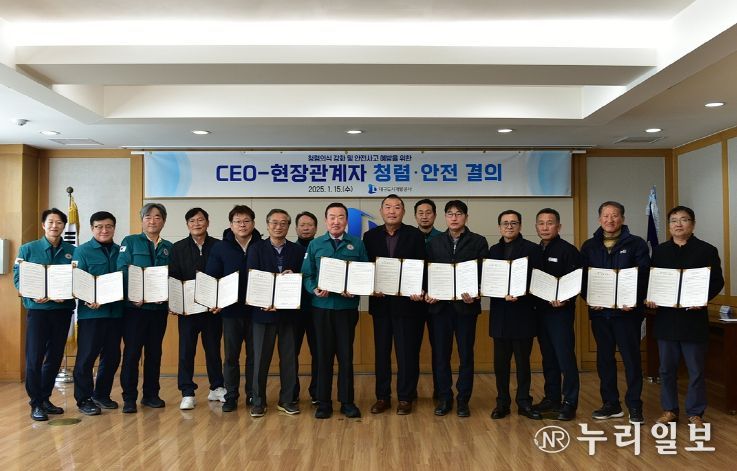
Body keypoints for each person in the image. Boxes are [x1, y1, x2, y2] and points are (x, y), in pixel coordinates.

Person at [646, 206, 724, 428]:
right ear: (669, 225)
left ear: (693, 224)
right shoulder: (659, 251)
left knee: (696, 369)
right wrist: (651, 297)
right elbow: (653, 280)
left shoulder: (706, 250)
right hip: (666, 319)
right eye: (673, 220)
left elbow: (717, 281)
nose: (678, 224)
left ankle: (695, 413)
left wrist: (702, 299)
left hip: (693, 319)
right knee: (666, 369)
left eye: (684, 220)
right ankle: (669, 410)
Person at [581, 201, 649, 424]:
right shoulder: (589, 246)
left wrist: (633, 300)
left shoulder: (637, 244)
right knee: (604, 360)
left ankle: (635, 405)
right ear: (599, 219)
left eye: (615, 215)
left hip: (627, 314)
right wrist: (590, 299)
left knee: (631, 359)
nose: (610, 220)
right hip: (600, 314)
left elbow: (644, 276)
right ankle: (611, 404)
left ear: (623, 219)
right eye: (606, 216)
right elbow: (583, 278)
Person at [302, 202, 369, 419]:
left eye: (341, 217)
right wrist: (314, 288)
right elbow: (307, 275)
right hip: (321, 309)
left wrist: (355, 290)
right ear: (326, 220)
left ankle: (347, 402)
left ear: (346, 221)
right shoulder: (315, 245)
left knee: (346, 356)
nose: (336, 221)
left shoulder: (357, 245)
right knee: (323, 356)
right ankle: (323, 402)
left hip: (346, 309)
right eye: (332, 217)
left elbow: (364, 274)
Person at [363, 194, 426, 415]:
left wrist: (419, 289)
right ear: (381, 211)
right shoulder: (370, 236)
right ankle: (382, 397)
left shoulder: (415, 235)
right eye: (388, 207)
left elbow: (422, 266)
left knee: (406, 354)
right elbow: (365, 268)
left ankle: (405, 397)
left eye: (397, 207)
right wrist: (370, 286)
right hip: (380, 304)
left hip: (408, 305)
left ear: (403, 212)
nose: (392, 211)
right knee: (382, 354)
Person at [425, 200, 488, 417]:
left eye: (458, 213)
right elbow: (427, 272)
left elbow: (483, 273)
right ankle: (444, 398)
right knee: (441, 356)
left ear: (466, 217)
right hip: (440, 309)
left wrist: (477, 291)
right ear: (445, 217)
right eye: (450, 214)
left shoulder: (478, 241)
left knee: (466, 356)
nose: (454, 217)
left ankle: (463, 399)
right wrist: (428, 291)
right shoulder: (434, 242)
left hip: (466, 308)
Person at [13, 208, 76, 421]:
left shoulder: (73, 251)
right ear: (43, 225)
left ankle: (46, 398)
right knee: (34, 357)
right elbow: (18, 278)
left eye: (59, 222)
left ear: (64, 226)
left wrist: (67, 294)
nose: (54, 226)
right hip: (38, 311)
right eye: (50, 222)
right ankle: (36, 403)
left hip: (62, 311)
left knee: (55, 357)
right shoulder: (28, 249)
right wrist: (32, 294)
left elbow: (77, 278)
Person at [247, 209, 306, 417]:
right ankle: (258, 401)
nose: (278, 226)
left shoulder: (297, 250)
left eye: (283, 223)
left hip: (288, 313)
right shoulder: (256, 249)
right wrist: (265, 301)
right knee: (260, 359)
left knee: (289, 359)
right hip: (263, 312)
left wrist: (293, 276)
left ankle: (287, 399)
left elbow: (303, 278)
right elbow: (252, 278)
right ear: (267, 224)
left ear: (289, 226)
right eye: (274, 222)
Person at [487, 210, 543, 421]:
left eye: (513, 223)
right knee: (500, 364)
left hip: (523, 313)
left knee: (523, 363)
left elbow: (538, 281)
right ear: (499, 227)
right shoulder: (493, 251)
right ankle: (502, 403)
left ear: (520, 226)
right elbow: (489, 281)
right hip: (500, 315)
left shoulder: (532, 249)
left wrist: (522, 293)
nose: (509, 227)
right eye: (505, 223)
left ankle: (524, 402)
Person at [117, 203, 173, 413]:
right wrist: (134, 296)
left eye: (157, 217)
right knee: (132, 354)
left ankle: (151, 395)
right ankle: (129, 398)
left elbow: (172, 276)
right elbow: (123, 270)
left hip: (158, 311)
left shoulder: (169, 247)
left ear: (163, 221)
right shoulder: (130, 242)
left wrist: (167, 296)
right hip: (135, 310)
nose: (152, 221)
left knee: (154, 353)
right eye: (148, 217)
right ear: (142, 220)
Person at [206, 205, 262, 412]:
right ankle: (231, 396)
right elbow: (212, 276)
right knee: (231, 357)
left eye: (246, 221)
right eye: (238, 221)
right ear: (231, 225)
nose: (242, 225)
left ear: (253, 223)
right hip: (230, 312)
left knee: (254, 356)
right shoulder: (220, 247)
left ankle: (253, 394)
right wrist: (214, 301)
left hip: (256, 311)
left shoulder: (262, 246)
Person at [169, 207, 224, 410]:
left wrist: (220, 302)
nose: (197, 224)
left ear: (207, 222)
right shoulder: (178, 248)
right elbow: (173, 277)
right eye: (192, 221)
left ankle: (217, 387)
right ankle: (187, 392)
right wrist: (175, 303)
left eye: (200, 220)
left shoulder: (219, 246)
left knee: (213, 350)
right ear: (187, 225)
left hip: (212, 310)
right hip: (187, 310)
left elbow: (224, 276)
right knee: (186, 351)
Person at [72, 211, 124, 416]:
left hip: (116, 314)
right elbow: (78, 280)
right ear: (92, 228)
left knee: (112, 357)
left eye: (108, 226)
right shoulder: (82, 251)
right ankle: (84, 399)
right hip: (91, 315)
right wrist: (87, 297)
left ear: (114, 228)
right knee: (86, 358)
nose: (104, 230)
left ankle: (101, 394)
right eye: (99, 226)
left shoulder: (121, 251)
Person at [532, 208, 581, 421]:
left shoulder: (568, 251)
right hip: (539, 312)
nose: (545, 227)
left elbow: (577, 281)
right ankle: (552, 398)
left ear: (559, 226)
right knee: (548, 358)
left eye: (550, 223)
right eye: (541, 223)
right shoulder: (534, 251)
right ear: (536, 227)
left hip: (560, 313)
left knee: (565, 357)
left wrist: (566, 298)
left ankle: (570, 402)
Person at [414, 198, 442, 400]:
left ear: (435, 215)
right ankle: (410, 391)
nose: (424, 216)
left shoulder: (443, 238)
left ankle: (440, 391)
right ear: (415, 216)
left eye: (428, 212)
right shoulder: (408, 237)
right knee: (411, 349)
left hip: (438, 302)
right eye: (420, 213)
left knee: (439, 349)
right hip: (413, 301)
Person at [292, 211, 318, 405]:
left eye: (310, 225)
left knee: (319, 352)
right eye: (302, 225)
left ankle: (317, 392)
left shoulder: (321, 248)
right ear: (296, 228)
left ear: (316, 228)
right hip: (293, 310)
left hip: (317, 309)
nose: (306, 228)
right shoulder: (290, 250)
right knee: (291, 352)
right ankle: (292, 392)